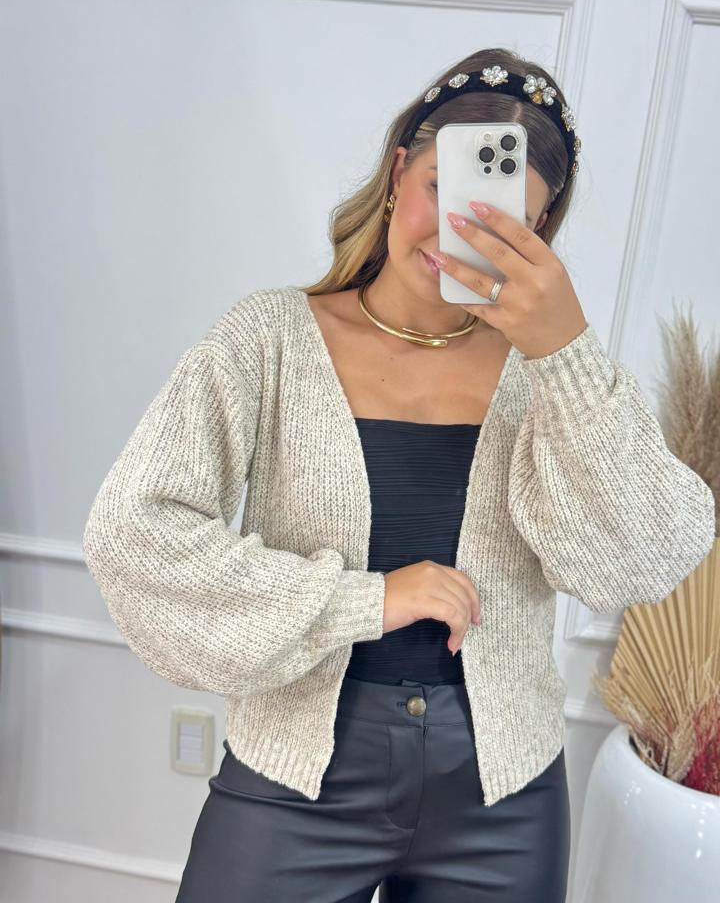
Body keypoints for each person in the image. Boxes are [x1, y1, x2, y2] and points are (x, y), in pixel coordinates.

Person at [82, 47, 716, 902]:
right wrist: (368, 600)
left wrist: (564, 350)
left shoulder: (549, 379)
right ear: (395, 174)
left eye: (506, 221)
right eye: (442, 191)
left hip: (503, 794)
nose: (461, 232)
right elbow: (132, 533)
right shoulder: (267, 340)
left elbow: (641, 562)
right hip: (294, 778)